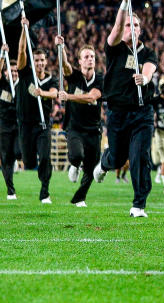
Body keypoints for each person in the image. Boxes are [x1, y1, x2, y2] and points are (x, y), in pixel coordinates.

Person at [92, 0, 158, 218]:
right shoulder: (115, 48)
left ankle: (139, 204)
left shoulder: (148, 53)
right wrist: (123, 3)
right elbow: (116, 29)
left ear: (141, 30)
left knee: (140, 156)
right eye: (130, 24)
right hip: (118, 112)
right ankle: (104, 164)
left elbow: (150, 69)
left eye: (136, 25)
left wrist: (145, 78)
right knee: (118, 157)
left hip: (142, 112)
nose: (133, 28)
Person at [16, 19, 59, 204]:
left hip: (42, 125)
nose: (40, 63)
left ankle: (45, 191)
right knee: (29, 162)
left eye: (42, 60)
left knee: (45, 157)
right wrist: (24, 30)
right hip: (25, 124)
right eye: (37, 60)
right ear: (33, 61)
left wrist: (43, 93)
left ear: (46, 62)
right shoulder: (26, 74)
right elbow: (20, 52)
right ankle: (31, 166)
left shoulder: (50, 80)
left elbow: (55, 93)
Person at [61, 44, 104, 207]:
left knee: (91, 168)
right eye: (86, 57)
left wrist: (69, 96)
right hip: (75, 127)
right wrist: (62, 48)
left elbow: (91, 98)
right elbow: (65, 65)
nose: (90, 59)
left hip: (93, 129)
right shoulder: (74, 76)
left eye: (92, 56)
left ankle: (80, 198)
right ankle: (74, 164)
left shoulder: (100, 79)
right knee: (77, 155)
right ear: (79, 61)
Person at [0, 44, 20, 199]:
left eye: (16, 71)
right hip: (3, 125)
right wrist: (2, 56)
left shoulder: (21, 86)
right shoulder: (1, 84)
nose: (14, 73)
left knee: (18, 152)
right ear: (6, 71)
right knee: (6, 158)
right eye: (11, 70)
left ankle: (16, 159)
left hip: (18, 125)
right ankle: (11, 191)